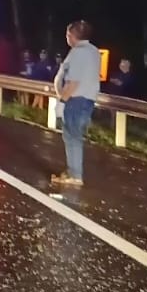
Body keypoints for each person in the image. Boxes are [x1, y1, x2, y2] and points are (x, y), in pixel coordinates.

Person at [51, 20, 102, 188]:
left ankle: (74, 174)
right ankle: (73, 172)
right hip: (87, 99)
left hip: (75, 100)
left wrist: (62, 101)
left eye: (68, 34)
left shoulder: (79, 52)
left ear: (72, 36)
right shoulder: (93, 51)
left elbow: (73, 82)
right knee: (74, 135)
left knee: (72, 137)